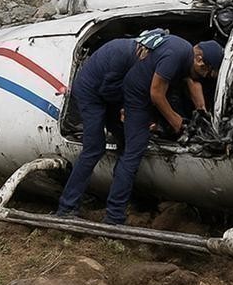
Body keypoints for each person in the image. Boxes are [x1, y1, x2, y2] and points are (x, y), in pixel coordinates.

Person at [106, 36, 223, 224]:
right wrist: (175, 121)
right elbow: (156, 93)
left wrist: (202, 112)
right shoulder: (176, 55)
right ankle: (114, 216)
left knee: (129, 151)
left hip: (142, 97)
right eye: (206, 70)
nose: (204, 76)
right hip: (137, 99)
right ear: (199, 60)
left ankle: (136, 203)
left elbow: (192, 81)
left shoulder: (184, 54)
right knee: (133, 153)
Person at [55, 34, 149, 218]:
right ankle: (67, 206)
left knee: (127, 142)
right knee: (94, 148)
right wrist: (128, 107)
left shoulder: (135, 53)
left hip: (105, 93)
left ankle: (125, 195)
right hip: (91, 94)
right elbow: (107, 90)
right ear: (143, 49)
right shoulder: (122, 54)